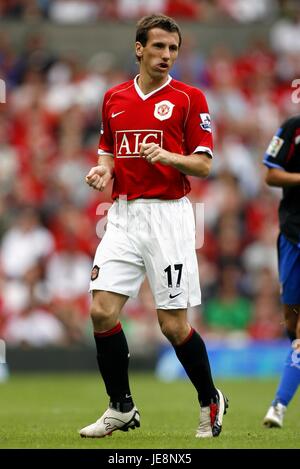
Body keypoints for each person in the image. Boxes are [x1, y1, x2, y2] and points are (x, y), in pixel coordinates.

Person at [79, 14, 228, 439]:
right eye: (159, 47)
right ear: (139, 48)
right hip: (122, 214)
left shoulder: (189, 98)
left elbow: (202, 164)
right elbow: (107, 149)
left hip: (169, 216)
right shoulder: (114, 97)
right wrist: (102, 171)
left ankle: (210, 398)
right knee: (101, 310)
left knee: (172, 325)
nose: (167, 55)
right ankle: (121, 406)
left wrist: (168, 157)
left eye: (173, 49)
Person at [263, 115, 300, 428]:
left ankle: (278, 405)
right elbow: (271, 175)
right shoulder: (293, 129)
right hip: (292, 235)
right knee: (291, 322)